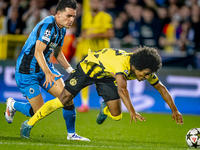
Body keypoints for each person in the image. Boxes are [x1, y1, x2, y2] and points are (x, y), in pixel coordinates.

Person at [20, 46, 184, 139]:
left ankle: (104, 106)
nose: (146, 77)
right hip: (87, 69)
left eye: (149, 74)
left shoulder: (143, 68)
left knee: (117, 116)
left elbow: (161, 87)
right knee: (63, 100)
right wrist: (133, 112)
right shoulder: (122, 64)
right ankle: (28, 124)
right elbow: (122, 89)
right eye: (145, 73)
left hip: (105, 76)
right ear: (138, 66)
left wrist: (174, 109)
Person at [4, 0, 90, 141]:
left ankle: (71, 135)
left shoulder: (61, 28)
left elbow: (57, 53)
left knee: (67, 98)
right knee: (39, 111)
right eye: (69, 16)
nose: (71, 20)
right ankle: (13, 104)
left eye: (73, 16)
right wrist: (48, 73)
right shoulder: (48, 26)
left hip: (44, 68)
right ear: (58, 14)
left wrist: (70, 70)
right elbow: (38, 52)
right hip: (27, 70)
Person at [76, 0, 115, 112]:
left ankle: (109, 102)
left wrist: (96, 35)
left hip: (102, 52)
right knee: (84, 77)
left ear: (100, 4)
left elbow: (111, 34)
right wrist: (79, 40)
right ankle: (84, 104)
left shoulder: (105, 17)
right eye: (92, 2)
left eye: (97, 3)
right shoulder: (86, 16)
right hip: (87, 51)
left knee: (104, 78)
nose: (94, 5)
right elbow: (84, 32)